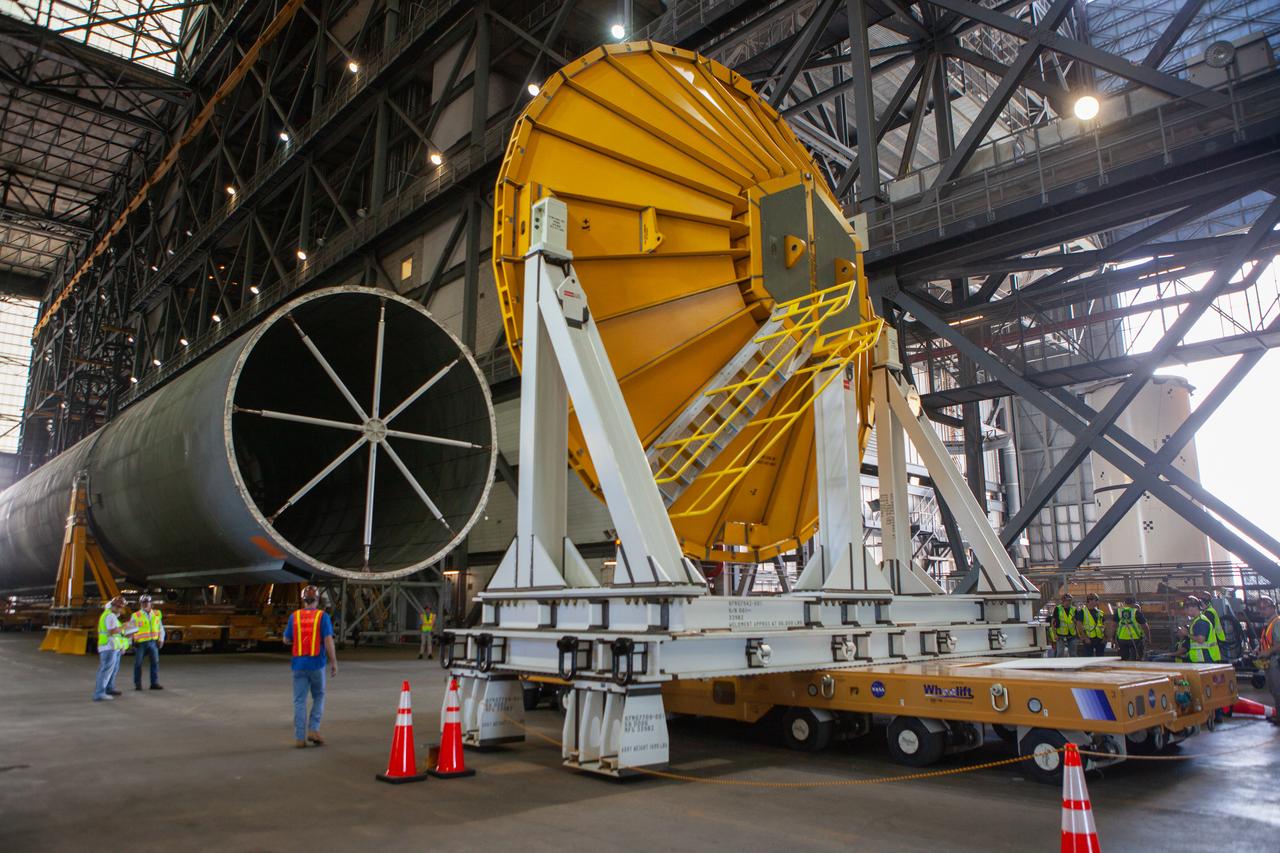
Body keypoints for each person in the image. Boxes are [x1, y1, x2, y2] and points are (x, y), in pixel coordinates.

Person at [282, 585, 337, 748]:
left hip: (298, 664)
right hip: (316, 664)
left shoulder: (295, 617)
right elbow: (328, 641)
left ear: (303, 599)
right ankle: (313, 730)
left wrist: (296, 640)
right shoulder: (323, 617)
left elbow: (286, 639)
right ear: (318, 599)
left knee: (299, 700)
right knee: (318, 696)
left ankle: (299, 738)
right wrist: (333, 662)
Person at [93, 596, 132, 701]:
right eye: (119, 607)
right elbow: (112, 631)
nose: (120, 609)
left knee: (112, 670)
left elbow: (117, 635)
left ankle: (109, 688)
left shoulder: (111, 616)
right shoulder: (110, 616)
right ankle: (99, 693)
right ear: (113, 606)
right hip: (108, 647)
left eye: (121, 607)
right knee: (106, 670)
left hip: (113, 647)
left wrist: (122, 646)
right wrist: (124, 626)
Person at [130, 594, 165, 690]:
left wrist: (161, 639)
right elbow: (131, 630)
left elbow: (160, 628)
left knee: (155, 663)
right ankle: (138, 684)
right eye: (143, 603)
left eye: (147, 602)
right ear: (140, 604)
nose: (145, 604)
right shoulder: (135, 615)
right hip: (140, 643)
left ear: (151, 603)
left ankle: (154, 683)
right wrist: (131, 642)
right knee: (138, 664)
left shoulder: (157, 614)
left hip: (153, 642)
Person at [1258, 596, 1279, 725]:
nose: (1262, 612)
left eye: (1264, 608)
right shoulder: (1270, 623)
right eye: (1260, 609)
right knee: (1274, 690)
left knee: (1278, 690)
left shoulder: (1277, 622)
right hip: (1270, 662)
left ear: (1272, 608)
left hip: (1276, 662)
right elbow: (1268, 641)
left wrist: (1267, 652)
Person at [1184, 596, 1221, 663]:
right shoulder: (1197, 620)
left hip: (1205, 658)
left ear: (1193, 607)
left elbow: (1201, 640)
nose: (1186, 611)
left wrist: (1187, 634)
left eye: (1186, 608)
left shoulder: (1200, 622)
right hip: (1204, 658)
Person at [1114, 596, 1148, 661]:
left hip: (1121, 638)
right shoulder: (1136, 612)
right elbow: (1145, 626)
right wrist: (1148, 637)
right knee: (1136, 657)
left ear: (1124, 603)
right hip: (1135, 638)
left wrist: (1113, 638)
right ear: (1134, 603)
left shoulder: (1119, 612)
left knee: (1124, 658)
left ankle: (1124, 668)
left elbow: (1113, 625)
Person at [1051, 592, 1079, 657]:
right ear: (1063, 601)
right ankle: (1059, 667)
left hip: (1072, 635)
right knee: (1060, 653)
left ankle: (1075, 666)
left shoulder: (1074, 609)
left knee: (1073, 654)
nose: (1068, 602)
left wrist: (1078, 634)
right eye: (1067, 600)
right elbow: (1053, 622)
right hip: (1060, 635)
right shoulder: (1058, 609)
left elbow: (1077, 623)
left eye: (1069, 600)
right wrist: (1054, 634)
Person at [1080, 593, 1107, 657]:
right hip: (1089, 638)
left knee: (1100, 658)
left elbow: (1104, 625)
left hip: (1099, 638)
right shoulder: (1082, 611)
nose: (1097, 602)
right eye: (1096, 600)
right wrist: (1085, 637)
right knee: (1088, 657)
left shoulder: (1100, 612)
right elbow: (1079, 625)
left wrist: (1105, 637)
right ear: (1090, 600)